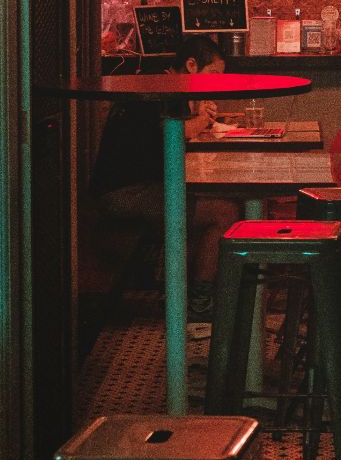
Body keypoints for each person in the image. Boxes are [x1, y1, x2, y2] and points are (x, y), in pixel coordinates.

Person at [90, 35, 241, 318]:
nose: (217, 83)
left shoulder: (165, 86)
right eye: (213, 75)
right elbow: (171, 136)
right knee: (224, 212)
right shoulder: (160, 92)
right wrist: (200, 120)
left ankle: (179, 293)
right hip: (124, 194)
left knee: (204, 205)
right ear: (192, 65)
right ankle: (200, 301)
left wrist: (196, 111)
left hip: (134, 187)